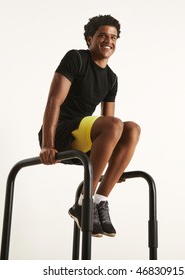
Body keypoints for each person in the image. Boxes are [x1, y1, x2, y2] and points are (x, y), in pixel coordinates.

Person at [38, 15, 140, 238]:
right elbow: (54, 100)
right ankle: (84, 201)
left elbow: (114, 126)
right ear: (89, 39)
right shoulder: (76, 58)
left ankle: (100, 200)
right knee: (114, 125)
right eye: (102, 35)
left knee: (131, 128)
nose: (108, 40)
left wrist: (114, 166)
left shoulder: (111, 78)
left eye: (113, 37)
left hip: (87, 138)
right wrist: (47, 145)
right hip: (60, 133)